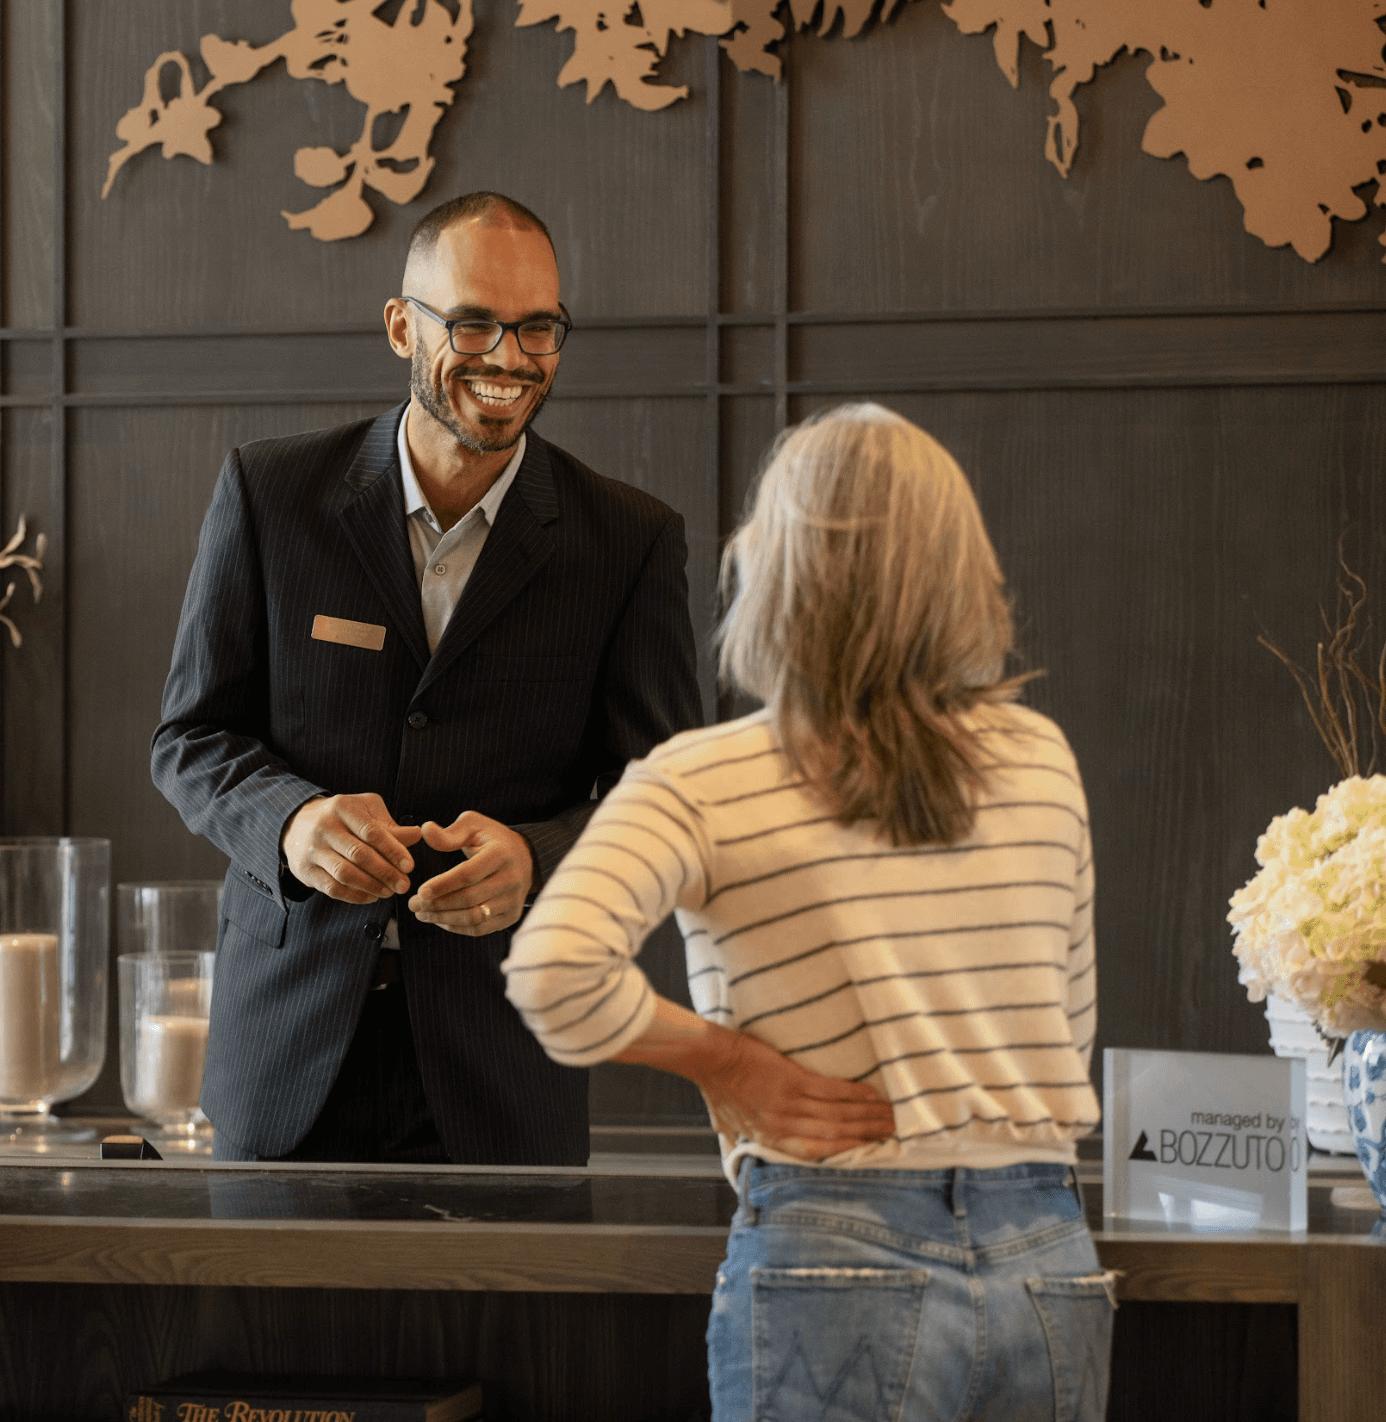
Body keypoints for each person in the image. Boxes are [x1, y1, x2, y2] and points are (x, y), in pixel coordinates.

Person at [503, 403, 1111, 1420]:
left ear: (770, 565)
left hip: (832, 1244)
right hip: (1044, 1247)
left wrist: (730, 1065)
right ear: (960, 568)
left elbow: (551, 973)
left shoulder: (703, 776)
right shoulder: (1038, 757)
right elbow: (1070, 1021)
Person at [151, 191, 704, 1166]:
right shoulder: (271, 494)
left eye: (538, 328)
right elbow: (190, 741)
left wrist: (534, 858)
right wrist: (288, 822)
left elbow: (661, 805)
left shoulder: (627, 541)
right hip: (282, 1055)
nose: (508, 356)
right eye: (475, 322)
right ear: (401, 325)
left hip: (505, 1062)